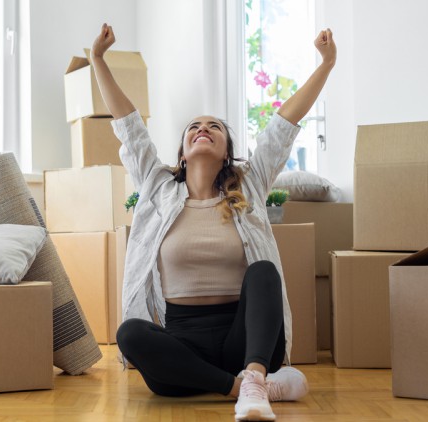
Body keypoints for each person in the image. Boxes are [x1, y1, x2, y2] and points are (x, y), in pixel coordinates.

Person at [91, 23, 336, 421]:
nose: (203, 128)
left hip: (247, 340)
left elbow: (283, 127)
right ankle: (248, 389)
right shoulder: (158, 189)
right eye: (194, 127)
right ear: (183, 153)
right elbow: (129, 128)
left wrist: (326, 65)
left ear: (226, 153)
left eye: (214, 127)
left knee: (263, 273)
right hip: (183, 346)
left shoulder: (250, 186)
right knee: (129, 334)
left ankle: (252, 376)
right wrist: (98, 60)